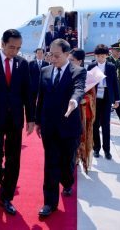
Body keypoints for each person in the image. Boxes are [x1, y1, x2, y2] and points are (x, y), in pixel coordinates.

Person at [0, 29, 35, 215]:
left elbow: (28, 93)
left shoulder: (23, 64)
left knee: (13, 159)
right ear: (3, 44)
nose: (14, 52)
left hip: (15, 119)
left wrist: (31, 119)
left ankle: (6, 197)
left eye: (18, 48)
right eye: (11, 47)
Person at [36, 39, 86, 217]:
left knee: (66, 163)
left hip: (69, 127)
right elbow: (41, 98)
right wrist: (37, 121)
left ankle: (67, 181)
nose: (53, 58)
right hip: (49, 126)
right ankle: (49, 203)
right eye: (51, 55)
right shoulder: (44, 71)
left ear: (67, 54)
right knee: (50, 164)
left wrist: (74, 101)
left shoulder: (78, 71)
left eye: (57, 55)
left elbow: (79, 89)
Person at [88, 44, 120, 159]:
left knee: (106, 124)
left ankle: (107, 150)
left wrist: (117, 99)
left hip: (106, 96)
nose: (100, 58)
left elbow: (115, 84)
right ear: (95, 56)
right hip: (95, 97)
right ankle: (96, 148)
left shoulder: (111, 67)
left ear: (106, 55)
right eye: (98, 56)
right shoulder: (91, 66)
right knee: (95, 124)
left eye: (103, 56)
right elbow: (88, 83)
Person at [69, 48, 96, 173]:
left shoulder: (88, 75)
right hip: (69, 111)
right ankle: (73, 158)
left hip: (83, 113)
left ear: (79, 61)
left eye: (72, 60)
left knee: (82, 137)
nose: (69, 62)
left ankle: (80, 158)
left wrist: (84, 99)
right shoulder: (67, 72)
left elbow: (92, 95)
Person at [28, 48, 49, 115]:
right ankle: (33, 116)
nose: (39, 54)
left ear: (43, 54)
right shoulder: (31, 63)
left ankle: (39, 115)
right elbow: (28, 75)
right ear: (36, 54)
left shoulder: (46, 64)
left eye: (41, 53)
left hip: (43, 87)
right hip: (33, 87)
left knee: (41, 102)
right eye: (38, 53)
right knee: (32, 102)